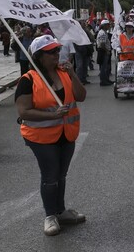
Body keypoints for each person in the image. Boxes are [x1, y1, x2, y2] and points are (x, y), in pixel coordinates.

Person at [15, 35, 86, 236]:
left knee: (61, 175)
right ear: (39, 56)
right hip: (41, 137)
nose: (57, 54)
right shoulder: (28, 80)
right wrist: (53, 114)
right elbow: (23, 112)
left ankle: (61, 211)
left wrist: (73, 75)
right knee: (50, 176)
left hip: (67, 133)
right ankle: (50, 216)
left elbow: (81, 96)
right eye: (51, 52)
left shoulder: (64, 73)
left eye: (57, 50)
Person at [96, 20, 113, 86]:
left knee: (106, 67)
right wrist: (107, 51)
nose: (109, 26)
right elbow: (102, 44)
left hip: (104, 51)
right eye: (107, 25)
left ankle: (106, 79)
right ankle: (103, 81)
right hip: (103, 52)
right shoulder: (102, 33)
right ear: (104, 25)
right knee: (104, 67)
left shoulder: (104, 32)